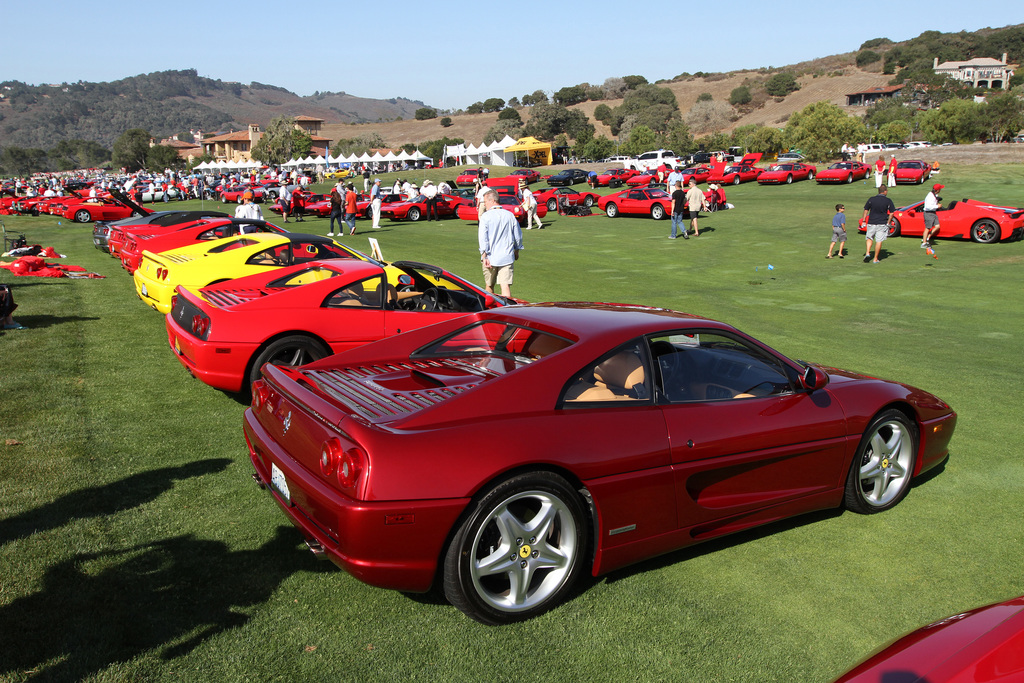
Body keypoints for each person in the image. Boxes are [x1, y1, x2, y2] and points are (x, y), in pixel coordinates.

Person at [477, 188, 523, 297]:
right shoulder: (509, 215)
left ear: (492, 201)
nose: (484, 205)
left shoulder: (485, 216)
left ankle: (489, 311)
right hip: (507, 256)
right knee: (505, 286)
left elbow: (483, 238)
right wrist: (517, 250)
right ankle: (506, 312)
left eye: (485, 202)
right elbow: (518, 236)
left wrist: (484, 255)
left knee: (489, 286)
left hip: (490, 257)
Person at [862, 186, 895, 263]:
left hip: (871, 222)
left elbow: (866, 210)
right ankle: (875, 258)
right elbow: (892, 212)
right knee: (879, 241)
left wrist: (864, 220)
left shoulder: (871, 199)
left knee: (869, 238)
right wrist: (888, 222)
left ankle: (867, 252)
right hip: (882, 223)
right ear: (885, 191)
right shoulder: (888, 200)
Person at [922, 183, 944, 247]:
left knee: (937, 226)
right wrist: (937, 206)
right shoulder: (930, 196)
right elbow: (928, 206)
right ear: (937, 190)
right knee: (927, 228)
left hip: (933, 213)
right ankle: (924, 243)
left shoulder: (934, 195)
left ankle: (928, 237)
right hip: (929, 213)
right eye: (940, 189)